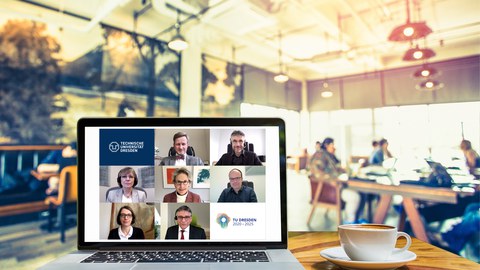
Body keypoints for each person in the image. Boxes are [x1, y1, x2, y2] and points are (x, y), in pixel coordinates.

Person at [309, 137, 361, 224]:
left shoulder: (329, 156)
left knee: (358, 192)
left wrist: (342, 170)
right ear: (326, 145)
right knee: (355, 197)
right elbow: (317, 173)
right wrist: (333, 182)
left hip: (334, 186)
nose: (334, 147)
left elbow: (333, 169)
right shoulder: (320, 155)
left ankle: (354, 220)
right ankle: (349, 222)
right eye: (332, 145)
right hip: (330, 190)